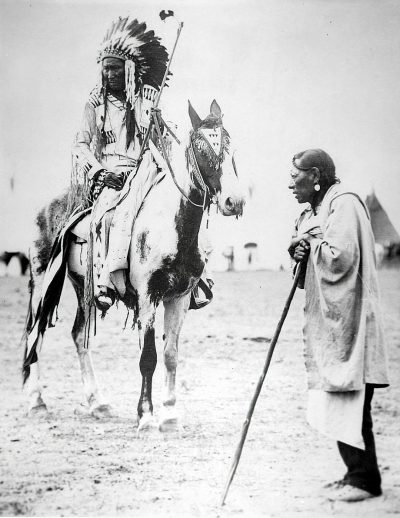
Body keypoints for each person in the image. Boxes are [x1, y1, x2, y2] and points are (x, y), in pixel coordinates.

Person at [288, 149, 389, 502]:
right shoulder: (318, 209)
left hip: (355, 321)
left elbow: (340, 259)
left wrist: (311, 244)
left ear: (315, 176)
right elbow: (310, 270)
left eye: (296, 175)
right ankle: (354, 474)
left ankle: (365, 479)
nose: (290, 183)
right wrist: (298, 251)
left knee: (354, 402)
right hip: (338, 325)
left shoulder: (345, 204)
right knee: (341, 400)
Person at [72, 16, 169, 312]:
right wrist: (101, 171)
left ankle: (196, 277)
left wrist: (158, 124)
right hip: (111, 176)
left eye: (114, 67)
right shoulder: (95, 104)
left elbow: (159, 142)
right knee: (109, 218)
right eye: (105, 68)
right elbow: (80, 145)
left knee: (176, 211)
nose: (108, 73)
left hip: (145, 173)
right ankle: (107, 281)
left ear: (129, 69)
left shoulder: (146, 99)